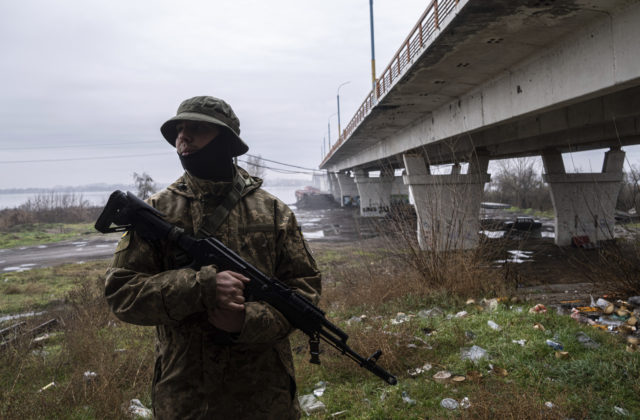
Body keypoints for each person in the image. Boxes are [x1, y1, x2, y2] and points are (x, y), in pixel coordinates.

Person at [104, 96, 322, 419]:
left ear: (226, 142)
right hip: (186, 402)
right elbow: (121, 293)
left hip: (265, 401)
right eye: (179, 129)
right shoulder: (157, 212)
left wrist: (245, 320)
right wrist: (199, 287)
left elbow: (305, 294)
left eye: (196, 128)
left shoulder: (274, 213)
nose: (183, 137)